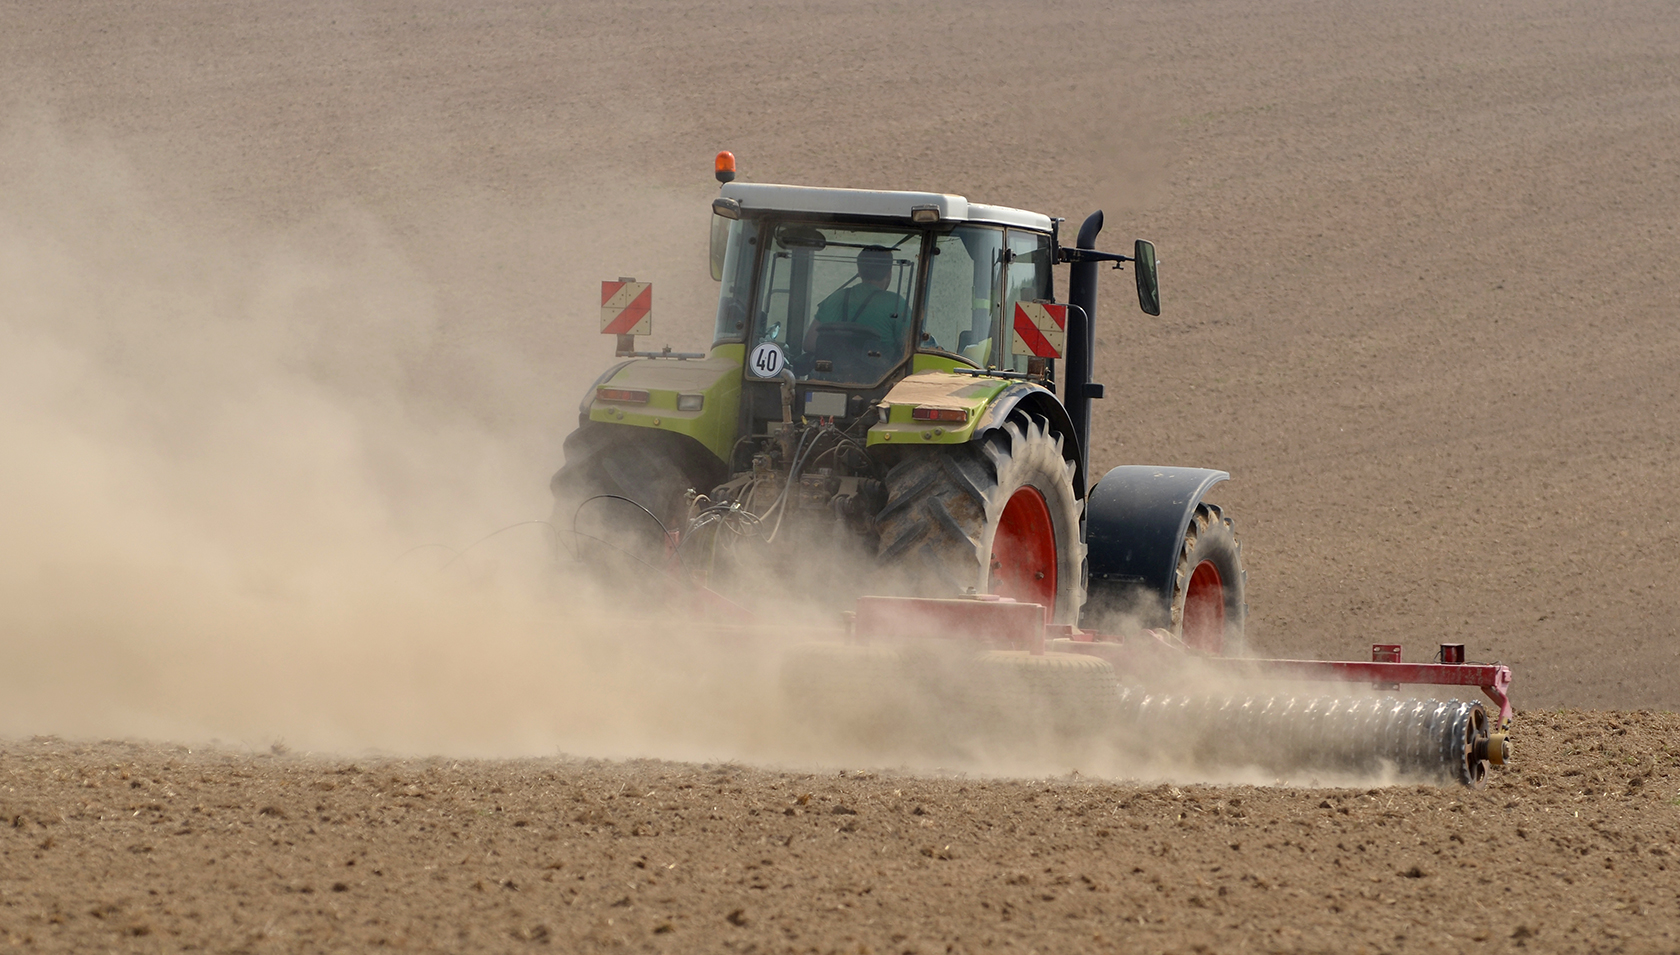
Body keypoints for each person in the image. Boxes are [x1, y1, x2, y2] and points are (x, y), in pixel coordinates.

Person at [802, 245, 910, 353]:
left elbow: (809, 344)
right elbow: (909, 349)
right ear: (889, 273)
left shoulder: (834, 298)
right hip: (883, 370)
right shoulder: (897, 304)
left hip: (829, 368)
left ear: (859, 271)